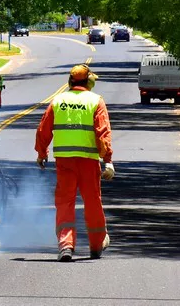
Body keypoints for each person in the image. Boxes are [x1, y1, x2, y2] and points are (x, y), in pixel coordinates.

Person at [35, 64, 114, 262]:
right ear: (88, 81)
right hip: (88, 161)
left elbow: (43, 129)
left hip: (64, 162)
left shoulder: (58, 101)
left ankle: (66, 245)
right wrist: (108, 161)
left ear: (70, 82)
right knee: (93, 202)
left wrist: (41, 153)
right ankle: (96, 245)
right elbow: (102, 133)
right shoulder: (96, 101)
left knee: (65, 202)